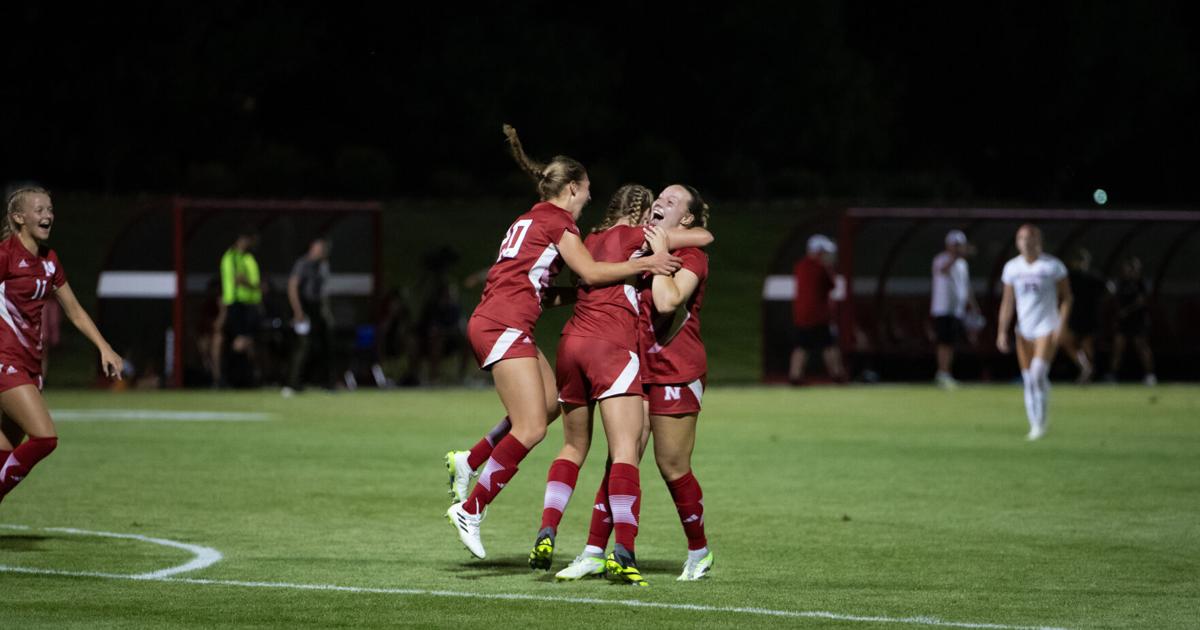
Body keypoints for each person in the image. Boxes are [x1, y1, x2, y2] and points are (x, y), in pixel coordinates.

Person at [443, 125, 681, 560]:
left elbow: (547, 289)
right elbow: (590, 272)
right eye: (587, 189)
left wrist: (586, 292)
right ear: (572, 187)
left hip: (503, 320)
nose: (590, 197)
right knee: (532, 427)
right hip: (503, 325)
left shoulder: (528, 218)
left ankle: (470, 459)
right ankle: (472, 509)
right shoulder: (560, 221)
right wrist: (649, 261)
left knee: (549, 406)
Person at [527, 184, 713, 586]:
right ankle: (595, 551)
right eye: (658, 197)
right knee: (620, 456)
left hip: (675, 369)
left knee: (671, 464)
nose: (660, 202)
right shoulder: (640, 249)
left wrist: (659, 253)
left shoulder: (691, 256)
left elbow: (666, 302)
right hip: (634, 361)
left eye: (670, 201)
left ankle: (699, 550)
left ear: (685, 219)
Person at [0, 186, 124, 506]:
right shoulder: (5, 256)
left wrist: (104, 347)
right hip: (4, 360)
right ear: (19, 218)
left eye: (50, 209)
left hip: (30, 364)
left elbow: (75, 311)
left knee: (5, 453)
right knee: (44, 438)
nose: (47, 215)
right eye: (39, 210)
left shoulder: (50, 261)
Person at [996, 224, 1072, 441]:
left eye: (1030, 238)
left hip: (1046, 327)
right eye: (1021, 238)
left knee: (1038, 373)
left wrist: (1061, 325)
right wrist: (1002, 331)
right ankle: (1034, 424)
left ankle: (1041, 423)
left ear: (1039, 240)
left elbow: (1067, 298)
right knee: (1029, 379)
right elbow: (1008, 301)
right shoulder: (1012, 268)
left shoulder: (1052, 266)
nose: (1026, 242)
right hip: (1024, 330)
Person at [788, 235, 845, 384]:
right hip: (819, 316)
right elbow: (832, 285)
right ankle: (837, 375)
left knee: (801, 346)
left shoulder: (800, 265)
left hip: (802, 315)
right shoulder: (821, 267)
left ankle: (795, 376)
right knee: (829, 345)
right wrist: (829, 268)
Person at [283, 237, 334, 395]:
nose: (322, 252)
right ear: (312, 248)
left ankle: (325, 382)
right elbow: (293, 287)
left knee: (323, 345)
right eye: (320, 248)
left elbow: (324, 291)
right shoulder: (302, 264)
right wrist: (298, 311)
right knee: (302, 345)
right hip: (303, 307)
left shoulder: (321, 266)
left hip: (316, 309)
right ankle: (292, 383)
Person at [214, 227, 263, 387]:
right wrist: (256, 287)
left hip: (247, 304)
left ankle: (241, 378)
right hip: (236, 304)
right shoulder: (233, 257)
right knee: (239, 341)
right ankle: (227, 378)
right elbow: (238, 279)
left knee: (245, 342)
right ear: (243, 239)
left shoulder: (246, 257)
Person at [930, 230, 979, 389]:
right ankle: (942, 373)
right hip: (942, 308)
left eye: (959, 245)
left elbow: (966, 287)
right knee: (944, 342)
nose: (957, 248)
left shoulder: (963, 264)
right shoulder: (940, 259)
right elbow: (943, 270)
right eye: (955, 245)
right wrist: (957, 256)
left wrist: (973, 306)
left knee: (951, 343)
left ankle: (946, 373)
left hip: (957, 310)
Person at [1105, 256, 1157, 386]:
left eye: (1133, 269)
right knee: (1118, 348)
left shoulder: (1142, 283)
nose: (1130, 271)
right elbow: (1115, 298)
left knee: (1142, 347)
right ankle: (1113, 374)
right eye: (1128, 269)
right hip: (1123, 322)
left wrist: (1126, 311)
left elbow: (1141, 301)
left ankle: (1150, 375)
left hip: (1139, 321)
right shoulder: (1121, 283)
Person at [1061, 248, 1105, 383]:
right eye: (1078, 261)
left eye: (1083, 261)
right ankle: (1086, 368)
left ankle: (1089, 373)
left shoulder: (1093, 277)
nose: (1080, 264)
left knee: (1087, 344)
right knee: (1067, 342)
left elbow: (1108, 290)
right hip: (1073, 315)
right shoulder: (1069, 277)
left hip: (1089, 315)